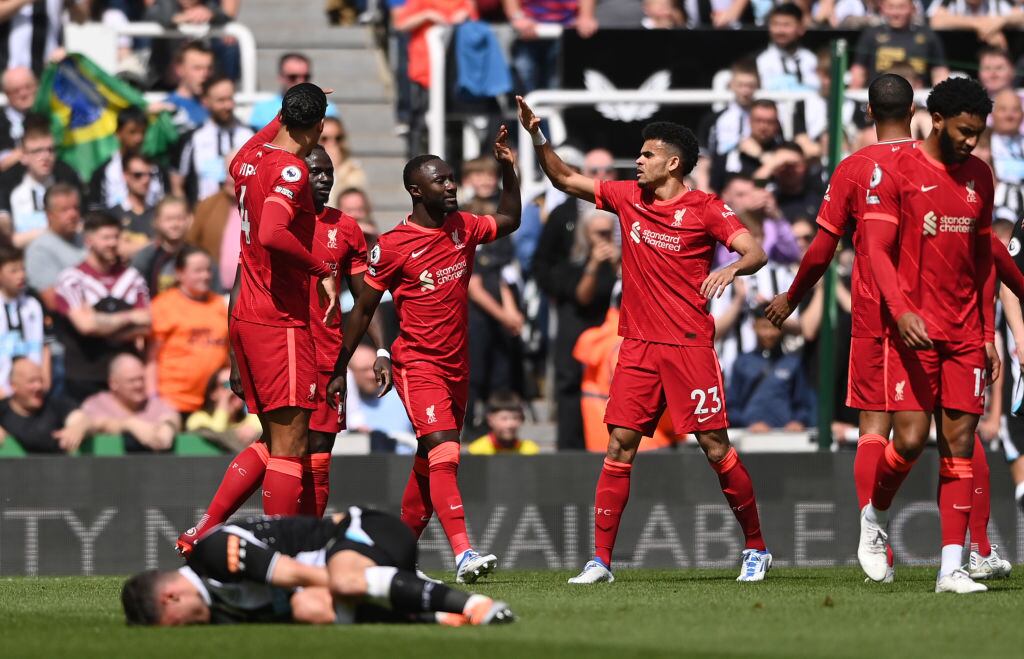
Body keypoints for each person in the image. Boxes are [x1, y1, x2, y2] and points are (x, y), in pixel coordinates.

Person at [517, 96, 773, 584]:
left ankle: (757, 548)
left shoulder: (706, 209)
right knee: (619, 445)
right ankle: (600, 561)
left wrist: (730, 267)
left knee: (715, 447)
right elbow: (565, 179)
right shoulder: (626, 197)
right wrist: (538, 136)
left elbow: (754, 251)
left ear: (672, 163)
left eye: (647, 154)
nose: (638, 160)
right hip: (637, 345)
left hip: (688, 345)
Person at [327, 126, 522, 584]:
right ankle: (463, 553)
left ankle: (398, 556)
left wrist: (509, 168)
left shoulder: (464, 227)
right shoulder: (392, 246)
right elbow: (362, 311)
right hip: (418, 364)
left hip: (458, 366)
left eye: (453, 178)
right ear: (417, 190)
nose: (452, 186)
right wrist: (341, 365)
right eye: (442, 180)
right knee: (445, 452)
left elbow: (509, 219)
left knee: (426, 464)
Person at [176, 142, 387, 553]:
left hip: (327, 352)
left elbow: (365, 299)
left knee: (292, 445)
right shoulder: (272, 225)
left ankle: (211, 528)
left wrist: (381, 350)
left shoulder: (345, 229)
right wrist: (236, 358)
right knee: (298, 447)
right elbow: (241, 290)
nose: (324, 178)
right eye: (315, 172)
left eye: (329, 172)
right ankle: (293, 546)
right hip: (281, 346)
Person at [859, 77, 996, 594]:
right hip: (913, 330)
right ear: (936, 120)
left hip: (964, 334)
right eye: (964, 131)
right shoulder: (896, 170)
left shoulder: (981, 176)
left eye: (978, 134)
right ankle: (874, 515)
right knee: (911, 441)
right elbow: (876, 249)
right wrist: (900, 311)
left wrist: (987, 331)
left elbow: (984, 260)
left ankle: (950, 568)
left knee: (958, 443)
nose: (970, 142)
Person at [226, 83, 339, 518]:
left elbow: (268, 135)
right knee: (290, 445)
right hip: (279, 317)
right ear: (320, 126)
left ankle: (201, 533)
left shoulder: (247, 160)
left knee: (273, 439)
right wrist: (321, 269)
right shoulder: (291, 171)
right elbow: (273, 233)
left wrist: (295, 103)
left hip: (248, 310)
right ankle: (281, 552)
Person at [124, 510, 515, 626]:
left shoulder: (210, 554)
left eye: (176, 623)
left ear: (170, 597)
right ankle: (438, 619)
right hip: (368, 567)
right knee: (310, 609)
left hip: (366, 531)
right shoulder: (220, 608)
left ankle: (471, 605)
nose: (187, 629)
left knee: (339, 583)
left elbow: (298, 574)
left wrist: (388, 583)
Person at [53, 212, 150, 403]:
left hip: (126, 381)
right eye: (106, 238)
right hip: (84, 378)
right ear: (89, 240)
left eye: (116, 237)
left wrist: (101, 325)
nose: (113, 243)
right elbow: (86, 325)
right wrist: (130, 317)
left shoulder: (132, 278)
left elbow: (147, 324)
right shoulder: (72, 279)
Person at [148, 246, 229, 416]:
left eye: (208, 270)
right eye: (198, 271)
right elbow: (151, 358)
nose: (205, 276)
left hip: (212, 403)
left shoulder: (221, 305)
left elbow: (230, 353)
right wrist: (152, 398)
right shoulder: (163, 306)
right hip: (171, 401)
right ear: (179, 273)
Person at [0, 113, 81, 249]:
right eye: (37, 151)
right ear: (24, 156)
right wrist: (53, 231)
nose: (45, 156)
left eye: (50, 150)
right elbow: (8, 237)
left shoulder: (67, 178)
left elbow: (80, 226)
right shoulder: (10, 185)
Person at [727, 304, 814, 431]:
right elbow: (731, 407)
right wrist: (748, 424)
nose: (769, 333)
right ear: (754, 327)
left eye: (774, 327)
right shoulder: (742, 362)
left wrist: (798, 422)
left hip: (784, 438)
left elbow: (803, 405)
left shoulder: (793, 363)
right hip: (749, 438)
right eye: (764, 327)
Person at [174, 75, 254, 206]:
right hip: (204, 212)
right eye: (221, 100)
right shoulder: (192, 138)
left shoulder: (250, 135)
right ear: (205, 102)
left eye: (230, 99)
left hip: (243, 215)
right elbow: (177, 185)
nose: (228, 105)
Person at [80, 353, 181, 452]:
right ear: (113, 383)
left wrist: (168, 426)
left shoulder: (152, 404)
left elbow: (172, 415)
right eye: (131, 381)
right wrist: (128, 424)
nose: (139, 385)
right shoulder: (97, 404)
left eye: (141, 379)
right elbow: (91, 423)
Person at [849, 0, 949, 89]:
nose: (896, 13)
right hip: (878, 98)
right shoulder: (870, 34)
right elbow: (859, 71)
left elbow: (939, 72)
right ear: (882, 7)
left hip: (918, 100)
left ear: (912, 7)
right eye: (890, 7)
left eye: (901, 7)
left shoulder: (928, 35)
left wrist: (941, 100)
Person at [0, 357, 89, 453]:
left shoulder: (54, 404)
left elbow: (80, 417)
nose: (39, 386)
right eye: (32, 381)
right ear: (14, 386)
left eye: (41, 380)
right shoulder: (3, 409)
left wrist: (76, 428)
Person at [88, 108, 167, 213]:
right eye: (132, 132)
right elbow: (95, 210)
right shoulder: (104, 171)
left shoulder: (157, 169)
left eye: (142, 132)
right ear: (118, 133)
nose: (139, 138)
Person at [23, 183, 83, 311]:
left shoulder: (87, 240)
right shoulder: (39, 250)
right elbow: (53, 301)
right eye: (64, 210)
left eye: (76, 208)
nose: (73, 215)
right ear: (49, 214)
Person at [0, 244, 50, 396]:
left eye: (22, 269)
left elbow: (45, 344)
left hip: (33, 388)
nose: (21, 275)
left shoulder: (33, 303)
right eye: (13, 271)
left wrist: (45, 378)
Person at [248, 53, 341, 132]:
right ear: (280, 77)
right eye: (293, 77)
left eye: (306, 76)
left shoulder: (328, 108)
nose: (300, 81)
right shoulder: (262, 110)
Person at [186, 155, 237, 292]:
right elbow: (191, 243)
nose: (230, 180)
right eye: (227, 173)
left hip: (252, 295)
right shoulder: (208, 205)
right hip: (213, 292)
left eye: (235, 173)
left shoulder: (261, 204)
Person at [710, 99, 784, 193]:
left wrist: (761, 155)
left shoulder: (786, 151)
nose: (763, 127)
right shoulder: (731, 154)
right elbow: (715, 190)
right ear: (749, 121)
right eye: (758, 120)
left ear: (777, 124)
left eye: (769, 122)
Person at [185, 367, 262, 453]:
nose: (234, 389)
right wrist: (223, 406)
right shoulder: (198, 418)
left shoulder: (251, 417)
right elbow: (216, 436)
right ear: (213, 393)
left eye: (239, 383)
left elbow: (262, 428)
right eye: (227, 385)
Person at [132, 197, 191, 297]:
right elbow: (134, 291)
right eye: (169, 219)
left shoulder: (195, 255)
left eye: (180, 218)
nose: (175, 224)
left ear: (188, 220)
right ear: (157, 221)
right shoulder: (146, 257)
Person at [107, 152, 160, 261]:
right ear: (125, 176)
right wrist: (153, 245)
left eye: (150, 175)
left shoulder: (159, 213)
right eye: (138, 175)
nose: (146, 180)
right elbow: (118, 249)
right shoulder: (112, 215)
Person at [928, 0, 1024, 50]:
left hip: (994, 53)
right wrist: (978, 25)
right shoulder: (948, 2)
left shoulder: (999, 2)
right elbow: (935, 21)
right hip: (956, 53)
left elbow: (1021, 17)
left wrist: (1001, 21)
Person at [466, 391, 539, 455]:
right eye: (504, 418)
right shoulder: (477, 451)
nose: (510, 424)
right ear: (490, 420)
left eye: (515, 418)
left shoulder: (530, 451)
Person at [990, 89, 1024, 221]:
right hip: (996, 213)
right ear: (993, 114)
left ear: (1022, 114)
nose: (1009, 115)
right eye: (1003, 109)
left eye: (1015, 110)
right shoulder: (982, 143)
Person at [165, 41, 213, 133]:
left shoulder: (219, 106)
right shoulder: (167, 108)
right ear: (179, 69)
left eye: (209, 68)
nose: (205, 74)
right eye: (197, 68)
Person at [319, 117, 367, 208]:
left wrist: (336, 169)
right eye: (324, 139)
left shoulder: (353, 169)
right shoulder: (306, 168)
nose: (332, 144)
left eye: (338, 138)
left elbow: (352, 206)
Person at [0, 67, 38, 171]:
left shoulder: (47, 115)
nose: (23, 94)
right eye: (16, 90)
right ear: (7, 94)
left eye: (28, 87)